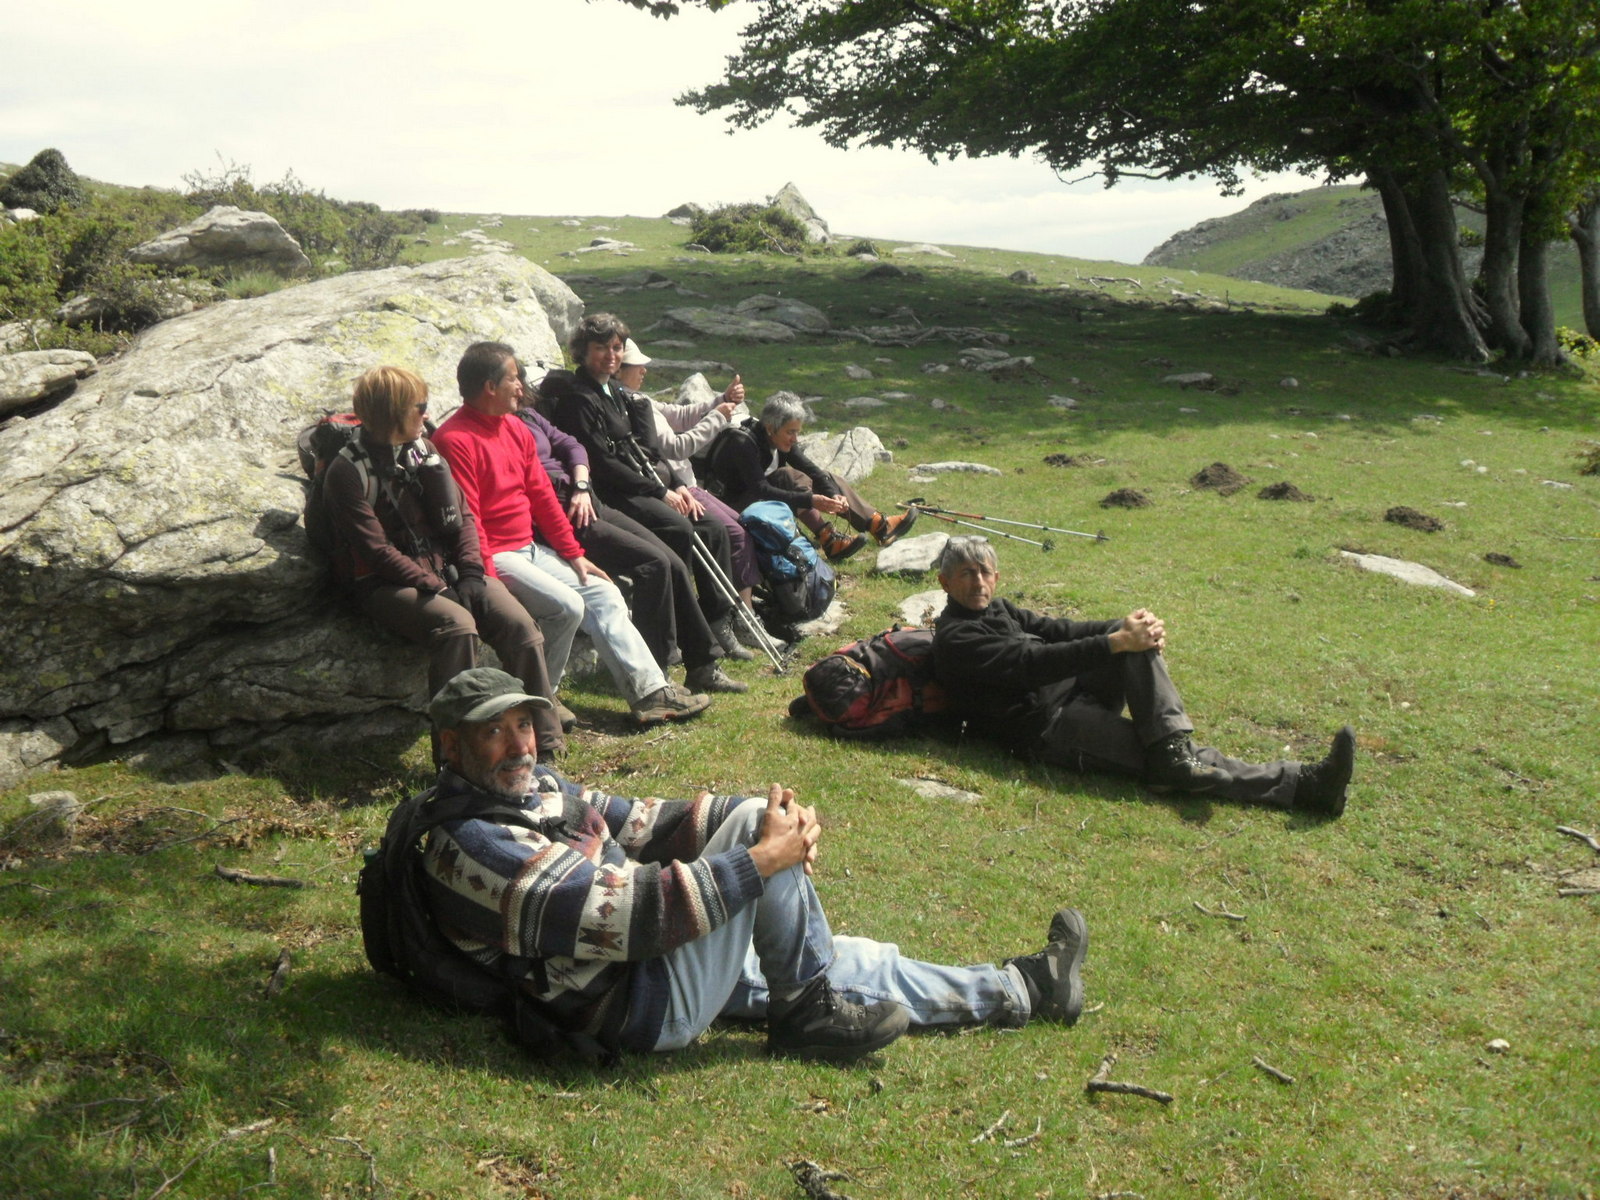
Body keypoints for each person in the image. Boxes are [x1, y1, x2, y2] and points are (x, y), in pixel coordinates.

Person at [419, 666, 1094, 1060]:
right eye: (494, 731)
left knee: (850, 960)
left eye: (523, 724)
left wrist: (770, 817)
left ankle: (1025, 987)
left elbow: (638, 819)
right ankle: (804, 1014)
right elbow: (624, 917)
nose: (520, 745)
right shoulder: (473, 846)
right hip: (638, 1001)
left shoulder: (536, 790)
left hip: (659, 961)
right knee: (763, 860)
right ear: (451, 746)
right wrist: (763, 855)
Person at [931, 536, 1355, 815]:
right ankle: (1303, 787)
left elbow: (1059, 629)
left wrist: (1124, 628)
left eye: (984, 572)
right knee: (1171, 756)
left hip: (1075, 694)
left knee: (1137, 650)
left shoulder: (999, 608)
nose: (978, 581)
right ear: (945, 582)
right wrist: (1116, 642)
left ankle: (1171, 749)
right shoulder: (956, 637)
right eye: (966, 573)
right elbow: (1032, 664)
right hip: (1048, 727)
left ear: (997, 578)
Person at [433, 342, 713, 726]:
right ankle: (541, 696)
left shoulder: (514, 427)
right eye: (513, 379)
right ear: (489, 387)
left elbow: (542, 497)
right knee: (566, 606)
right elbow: (470, 521)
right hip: (496, 556)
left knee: (604, 593)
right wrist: (490, 581)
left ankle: (650, 693)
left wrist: (574, 554)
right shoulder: (454, 440)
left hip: (528, 548)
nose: (521, 386)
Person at [320, 366, 564, 760]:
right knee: (457, 628)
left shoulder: (425, 451)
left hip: (448, 571)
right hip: (384, 583)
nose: (427, 414)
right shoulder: (346, 473)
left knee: (521, 628)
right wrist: (438, 588)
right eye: (419, 407)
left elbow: (463, 518)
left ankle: (545, 745)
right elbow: (375, 551)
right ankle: (457, 760)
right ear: (393, 413)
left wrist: (471, 573)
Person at [538, 313, 749, 668]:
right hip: (613, 492)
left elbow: (646, 449)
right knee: (678, 528)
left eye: (616, 347)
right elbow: (603, 463)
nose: (611, 355)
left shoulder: (616, 391)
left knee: (712, 528)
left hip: (640, 485)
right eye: (601, 348)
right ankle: (679, 630)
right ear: (583, 351)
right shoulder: (579, 399)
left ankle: (717, 620)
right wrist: (660, 492)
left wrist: (675, 484)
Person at [617, 338, 762, 613]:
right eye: (637, 365)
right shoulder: (630, 406)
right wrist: (717, 418)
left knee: (742, 525)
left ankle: (744, 603)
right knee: (736, 534)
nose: (644, 370)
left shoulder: (640, 399)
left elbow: (679, 415)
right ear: (618, 370)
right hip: (678, 490)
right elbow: (676, 447)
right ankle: (741, 612)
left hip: (687, 485)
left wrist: (722, 400)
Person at [706, 394, 917, 563]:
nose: (795, 438)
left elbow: (812, 470)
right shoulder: (742, 443)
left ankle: (878, 525)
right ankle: (829, 538)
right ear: (770, 428)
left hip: (757, 499)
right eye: (791, 432)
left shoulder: (776, 436)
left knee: (826, 478)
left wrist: (833, 494)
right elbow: (761, 489)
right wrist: (811, 500)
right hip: (731, 510)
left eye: (797, 432)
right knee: (787, 476)